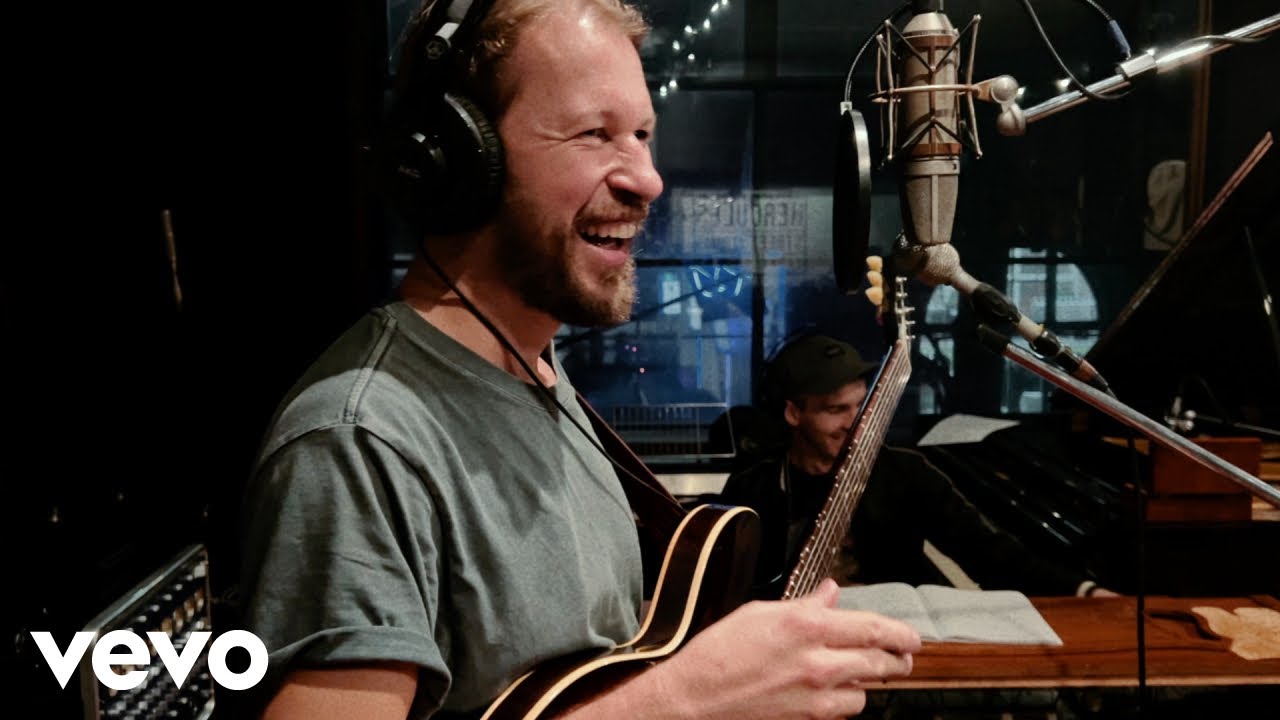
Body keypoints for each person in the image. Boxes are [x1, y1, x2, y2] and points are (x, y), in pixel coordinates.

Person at [234, 2, 920, 718]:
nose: (648, 179)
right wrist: (688, 698)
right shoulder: (360, 443)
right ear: (459, 155)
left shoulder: (540, 374)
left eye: (643, 135)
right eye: (595, 133)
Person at [719, 334, 1118, 600]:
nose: (856, 423)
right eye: (836, 410)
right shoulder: (754, 488)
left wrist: (1083, 590)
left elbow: (990, 551)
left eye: (862, 406)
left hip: (892, 641)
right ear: (793, 414)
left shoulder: (904, 472)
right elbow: (725, 589)